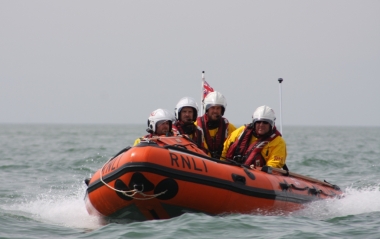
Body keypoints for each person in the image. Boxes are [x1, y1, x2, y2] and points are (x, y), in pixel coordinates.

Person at [222, 105, 287, 169]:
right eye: (258, 122)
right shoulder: (241, 131)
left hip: (258, 175)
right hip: (232, 168)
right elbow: (225, 149)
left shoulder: (278, 142)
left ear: (271, 124)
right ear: (254, 123)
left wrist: (261, 170)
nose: (261, 125)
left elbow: (274, 163)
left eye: (265, 122)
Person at [195, 91, 236, 159]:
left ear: (222, 110)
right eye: (213, 108)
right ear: (207, 109)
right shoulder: (196, 126)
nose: (215, 111)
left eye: (218, 108)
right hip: (202, 163)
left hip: (223, 165)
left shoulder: (229, 128)